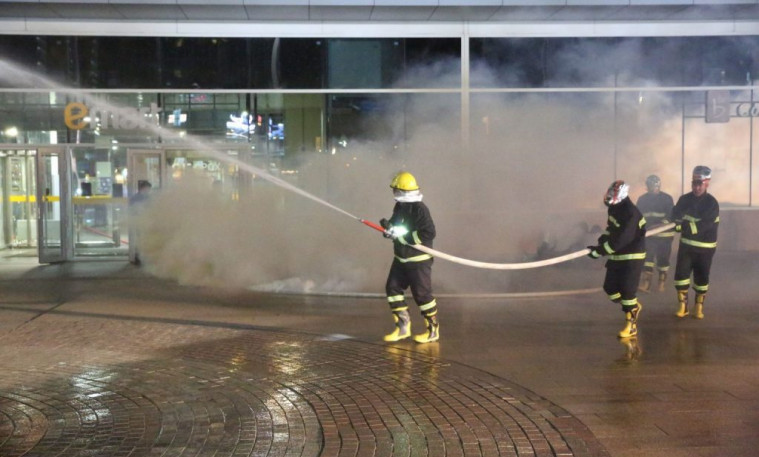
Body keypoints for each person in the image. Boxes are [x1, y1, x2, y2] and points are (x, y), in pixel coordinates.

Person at [379, 171, 439, 344]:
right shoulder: (400, 206)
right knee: (392, 288)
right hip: (401, 258)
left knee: (422, 295)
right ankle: (403, 328)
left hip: (418, 260)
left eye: (395, 189)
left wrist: (405, 238)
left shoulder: (419, 209)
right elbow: (397, 226)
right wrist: (389, 229)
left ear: (402, 190)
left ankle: (433, 331)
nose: (393, 192)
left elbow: (428, 232)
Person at [587, 180, 647, 338]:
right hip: (617, 254)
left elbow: (621, 239)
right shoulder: (614, 208)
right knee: (610, 288)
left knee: (627, 291)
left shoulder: (630, 213)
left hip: (632, 256)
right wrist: (601, 242)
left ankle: (631, 325)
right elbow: (611, 230)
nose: (609, 197)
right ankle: (633, 306)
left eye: (613, 194)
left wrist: (600, 251)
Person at [671, 165, 719, 319]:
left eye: (700, 184)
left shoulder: (712, 203)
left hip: (705, 248)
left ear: (707, 183)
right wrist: (676, 222)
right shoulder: (684, 199)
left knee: (701, 277)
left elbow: (706, 225)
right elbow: (675, 214)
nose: (696, 187)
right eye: (694, 184)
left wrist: (686, 226)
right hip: (686, 245)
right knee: (681, 275)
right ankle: (683, 306)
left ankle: (698, 306)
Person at [636, 174, 675, 292]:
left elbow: (670, 216)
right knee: (647, 258)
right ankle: (646, 284)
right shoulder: (642, 199)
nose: (652, 188)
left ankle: (661, 282)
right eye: (649, 186)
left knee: (663, 259)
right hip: (649, 235)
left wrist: (658, 226)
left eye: (653, 186)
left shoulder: (667, 199)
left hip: (665, 236)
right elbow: (638, 216)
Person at [129, 180, 152, 265]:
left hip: (143, 221)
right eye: (148, 188)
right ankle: (139, 257)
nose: (148, 190)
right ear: (143, 188)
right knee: (141, 239)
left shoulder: (136, 197)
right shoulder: (139, 198)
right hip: (141, 221)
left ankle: (140, 257)